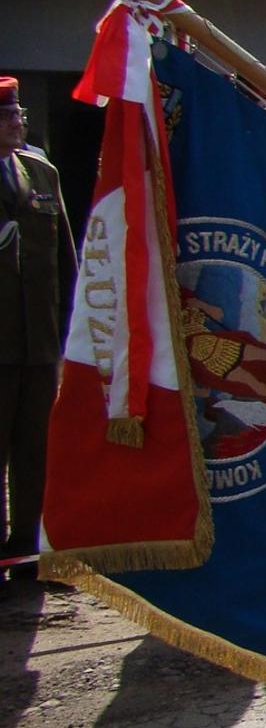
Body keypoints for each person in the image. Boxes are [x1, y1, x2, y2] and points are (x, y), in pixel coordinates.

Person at [0, 76, 74, 590]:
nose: (17, 119)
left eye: (18, 112)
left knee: (36, 450)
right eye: (6, 114)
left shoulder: (41, 173)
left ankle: (28, 550)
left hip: (38, 342)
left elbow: (65, 263)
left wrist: (69, 334)